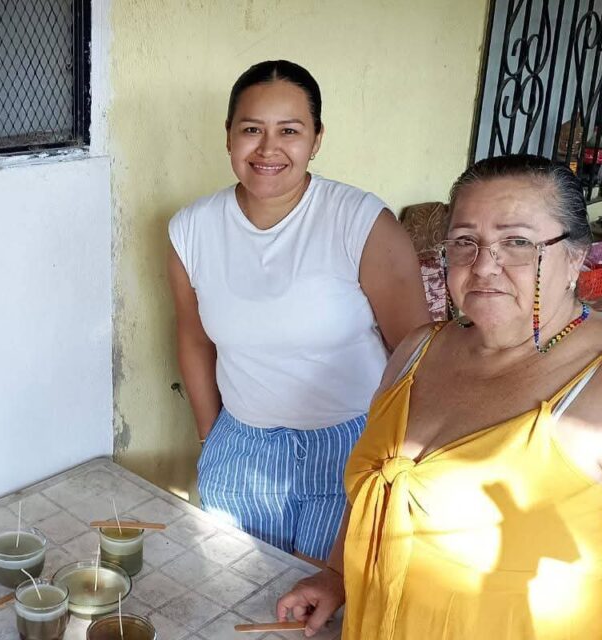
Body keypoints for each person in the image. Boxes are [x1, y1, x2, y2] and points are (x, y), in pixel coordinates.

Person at [276, 154, 602, 638]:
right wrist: (336, 576)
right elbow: (377, 495)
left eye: (517, 242)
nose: (483, 266)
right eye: (464, 242)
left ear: (575, 257)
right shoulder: (418, 350)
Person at [167, 60, 430, 564]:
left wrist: (396, 462)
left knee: (323, 613)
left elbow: (416, 354)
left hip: (348, 447)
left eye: (289, 130)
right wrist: (211, 435)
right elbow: (194, 337)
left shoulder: (359, 221)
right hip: (240, 450)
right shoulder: (191, 230)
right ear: (228, 136)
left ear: (316, 139)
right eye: (251, 130)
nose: (268, 149)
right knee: (233, 595)